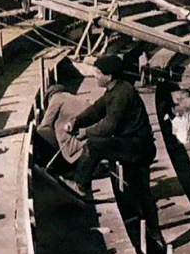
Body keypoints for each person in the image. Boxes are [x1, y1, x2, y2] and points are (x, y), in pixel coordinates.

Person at [60, 56, 157, 234]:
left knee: (94, 145)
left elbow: (109, 126)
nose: (95, 76)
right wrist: (76, 122)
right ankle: (151, 230)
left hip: (137, 146)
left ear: (110, 76)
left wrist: (85, 133)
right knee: (140, 191)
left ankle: (80, 186)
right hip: (131, 144)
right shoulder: (114, 90)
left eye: (98, 73)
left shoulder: (122, 94)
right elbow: (97, 110)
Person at [34, 84, 87, 173]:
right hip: (88, 141)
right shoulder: (74, 98)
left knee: (39, 134)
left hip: (76, 149)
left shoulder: (57, 98)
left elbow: (43, 127)